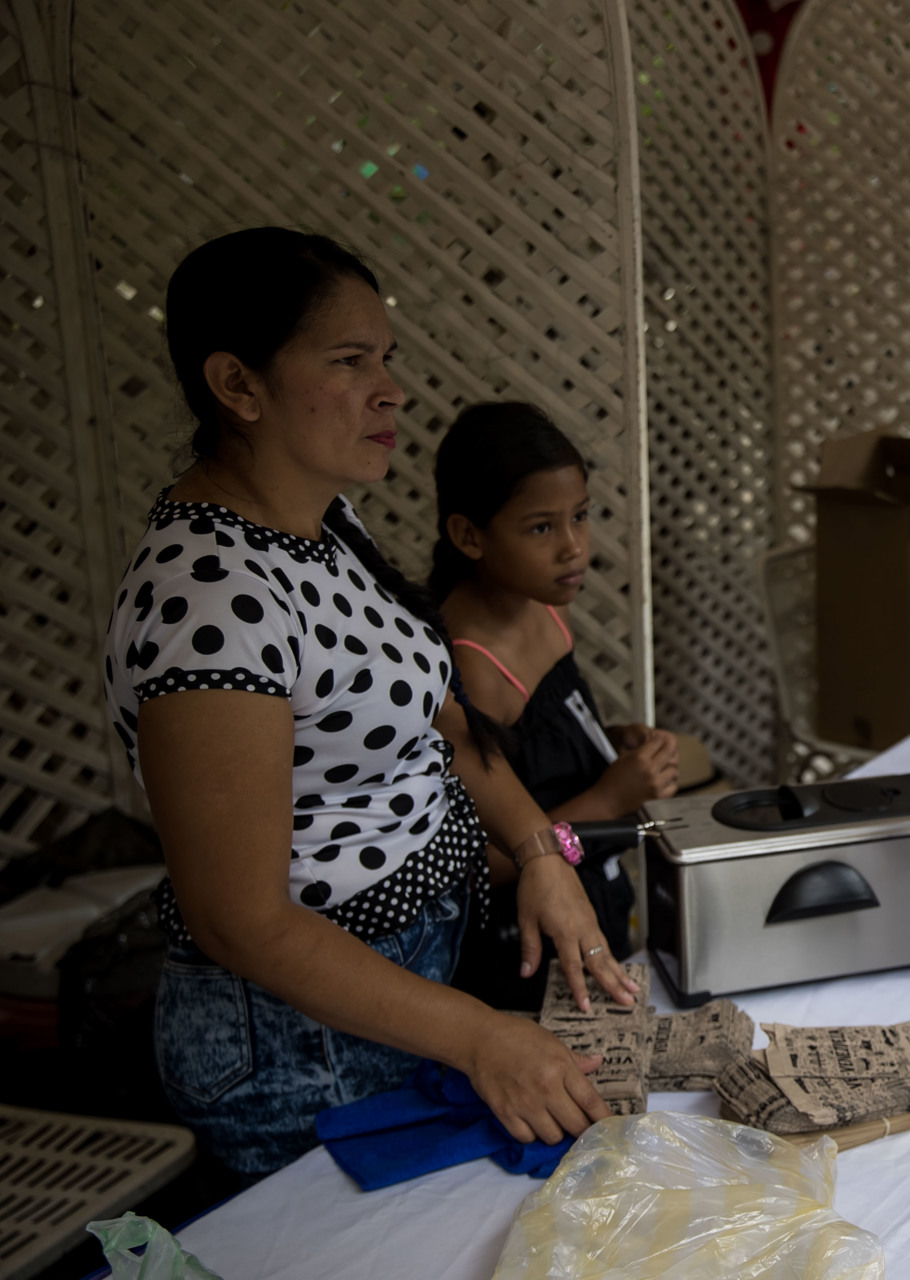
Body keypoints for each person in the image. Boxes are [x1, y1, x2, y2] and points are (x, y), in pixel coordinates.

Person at [104, 228, 638, 1176]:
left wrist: (537, 850)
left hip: (409, 998)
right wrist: (480, 1037)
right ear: (238, 385)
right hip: (296, 1046)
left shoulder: (324, 525)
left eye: (384, 358)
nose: (391, 390)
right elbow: (242, 920)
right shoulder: (212, 600)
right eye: (351, 362)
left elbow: (439, 715)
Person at [430, 402, 680, 1009]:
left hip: (596, 892)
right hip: (527, 947)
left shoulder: (544, 603)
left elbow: (542, 741)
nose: (573, 547)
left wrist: (606, 739)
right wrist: (607, 800)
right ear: (469, 535)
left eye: (581, 517)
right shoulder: (468, 671)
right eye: (542, 527)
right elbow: (474, 864)